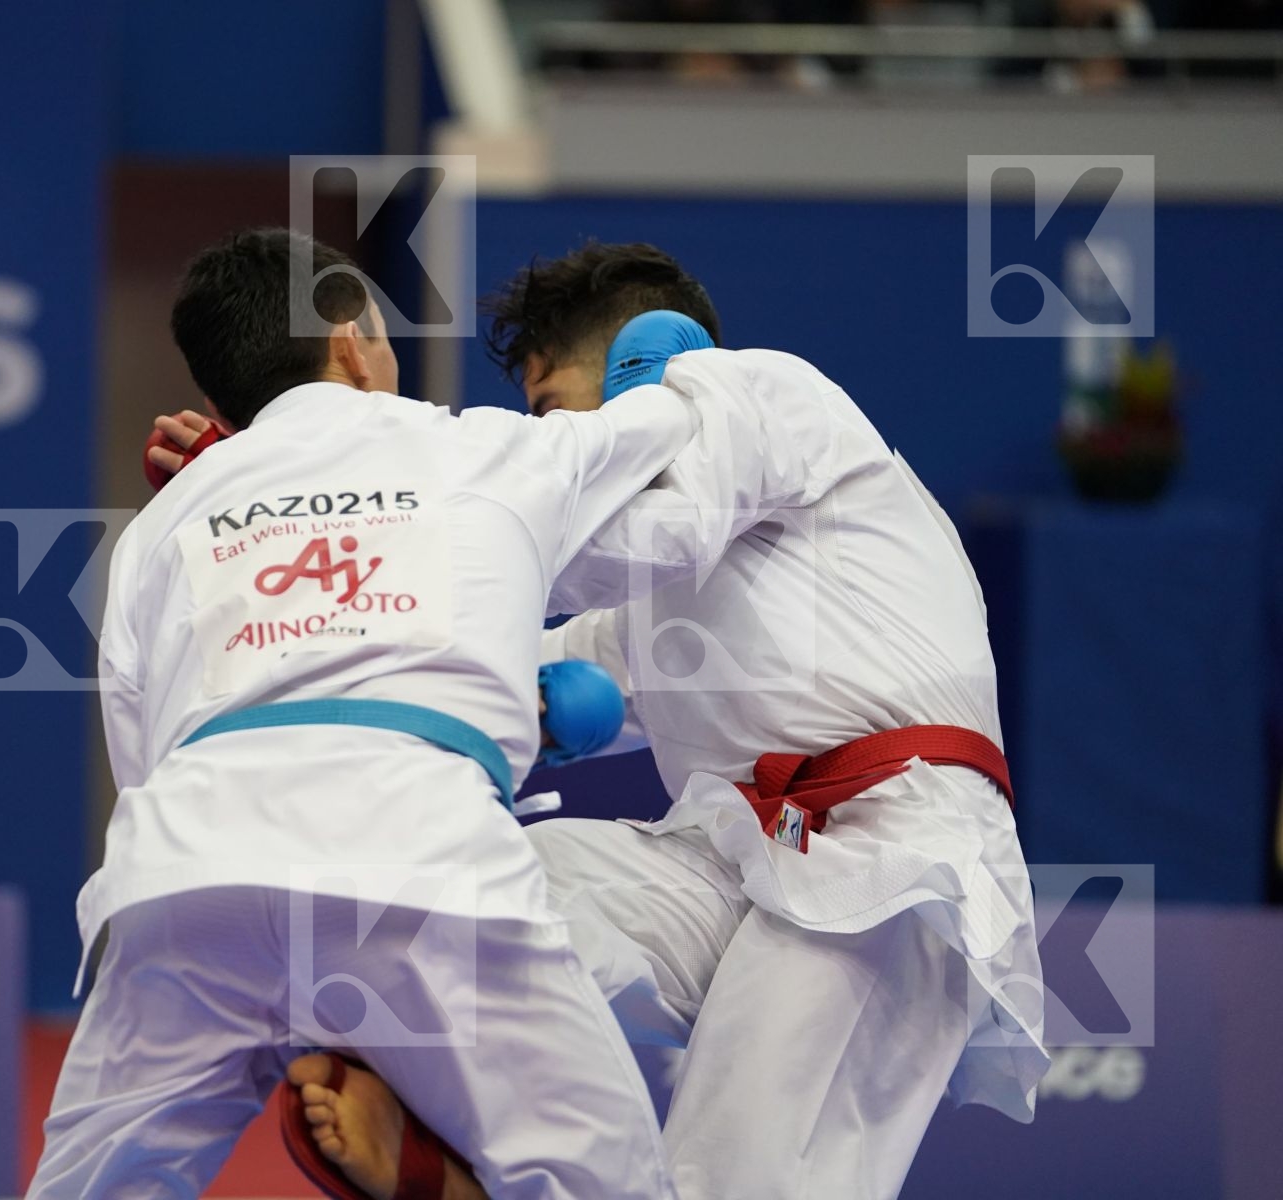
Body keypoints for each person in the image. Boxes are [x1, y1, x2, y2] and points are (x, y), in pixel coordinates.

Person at [148, 241, 1049, 1200]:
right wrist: (274, 512)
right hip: (740, 860)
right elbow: (449, 661)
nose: (549, 449)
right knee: (445, 895)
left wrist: (367, 498)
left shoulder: (766, 393)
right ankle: (469, 1164)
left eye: (549, 413)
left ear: (646, 363)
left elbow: (627, 529)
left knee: (732, 1181)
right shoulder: (655, 606)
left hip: (890, 859)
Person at [27, 228, 700, 1200]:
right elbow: (676, 421)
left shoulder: (163, 524)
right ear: (351, 337)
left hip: (182, 875)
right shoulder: (484, 444)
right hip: (418, 866)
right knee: (608, 1181)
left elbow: (143, 756)